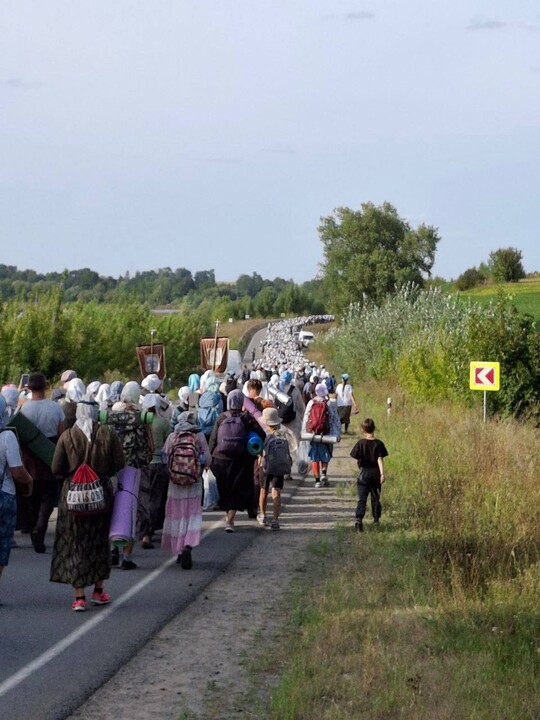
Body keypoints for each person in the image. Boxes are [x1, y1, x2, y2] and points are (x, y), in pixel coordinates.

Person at [50, 395, 125, 610]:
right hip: (100, 494)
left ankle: (79, 596)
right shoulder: (107, 433)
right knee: (99, 541)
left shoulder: (67, 436)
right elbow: (120, 462)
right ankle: (99, 591)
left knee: (75, 543)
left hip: (72, 494)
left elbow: (56, 468)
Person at [108, 381, 153, 569]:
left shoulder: (111, 417)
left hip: (112, 470)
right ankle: (126, 556)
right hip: (132, 469)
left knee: (113, 508)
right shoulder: (140, 418)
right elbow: (145, 449)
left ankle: (113, 551)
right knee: (130, 511)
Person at [19, 372, 65, 553]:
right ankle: (40, 528)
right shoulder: (55, 408)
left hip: (29, 456)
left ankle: (33, 527)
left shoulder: (24, 409)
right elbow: (62, 434)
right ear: (46, 386)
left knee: (32, 495)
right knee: (48, 495)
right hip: (49, 454)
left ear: (29, 387)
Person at [208, 390, 265, 532]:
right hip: (241, 459)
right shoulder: (247, 418)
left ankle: (228, 516)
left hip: (220, 458)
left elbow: (213, 439)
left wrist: (210, 457)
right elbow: (261, 435)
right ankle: (230, 521)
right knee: (236, 488)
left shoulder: (221, 417)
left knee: (224, 488)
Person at [161, 411, 211, 568]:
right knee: (192, 514)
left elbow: (164, 457)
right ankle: (188, 545)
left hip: (175, 484)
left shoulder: (172, 437)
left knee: (177, 515)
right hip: (194, 482)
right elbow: (208, 459)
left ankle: (178, 550)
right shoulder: (199, 436)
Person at [0, 396, 33, 599]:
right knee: (2, 543)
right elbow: (17, 471)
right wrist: (29, 480)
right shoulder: (6, 436)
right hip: (4, 496)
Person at [137, 393, 171, 549]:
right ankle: (150, 531)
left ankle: (143, 530)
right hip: (159, 465)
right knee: (156, 499)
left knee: (143, 498)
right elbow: (168, 445)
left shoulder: (140, 422)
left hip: (143, 465)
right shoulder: (163, 422)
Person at [350, 418, 388, 532]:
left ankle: (359, 519)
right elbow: (380, 459)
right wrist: (382, 474)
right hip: (375, 474)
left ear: (363, 430)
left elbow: (356, 457)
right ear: (374, 428)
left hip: (364, 474)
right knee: (375, 498)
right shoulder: (379, 444)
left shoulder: (360, 443)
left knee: (362, 499)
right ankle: (376, 520)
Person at [257, 407, 292, 531]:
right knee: (276, 491)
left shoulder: (264, 435)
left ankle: (263, 515)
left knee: (263, 490)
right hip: (279, 465)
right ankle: (275, 520)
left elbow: (259, 451)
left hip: (266, 465)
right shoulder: (282, 434)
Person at [302, 383, 341, 488]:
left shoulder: (311, 403)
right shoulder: (329, 403)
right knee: (325, 455)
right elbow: (335, 419)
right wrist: (337, 433)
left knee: (315, 457)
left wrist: (304, 432)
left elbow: (306, 418)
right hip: (327, 433)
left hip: (313, 433)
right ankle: (324, 474)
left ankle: (317, 481)